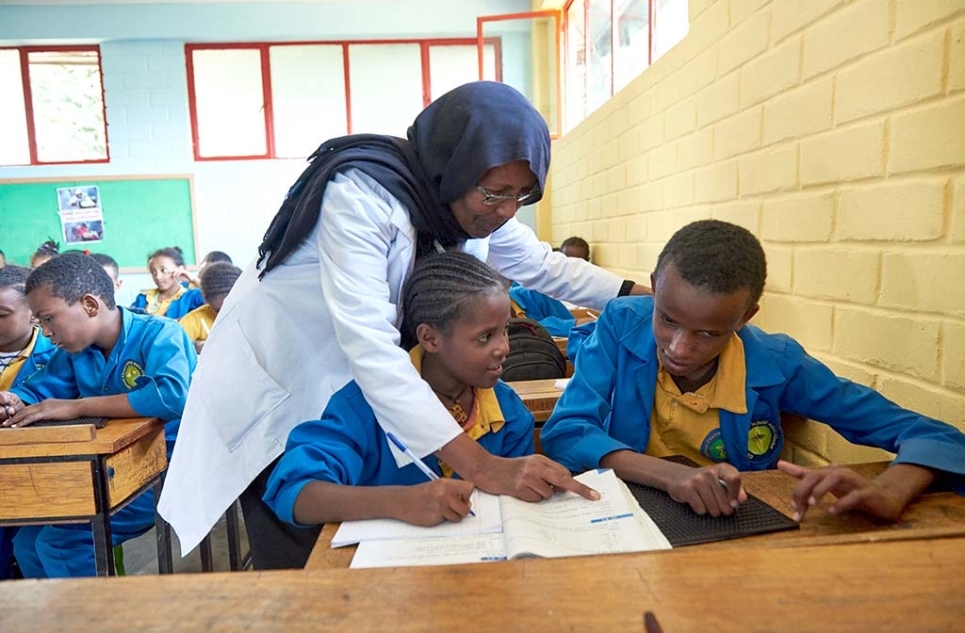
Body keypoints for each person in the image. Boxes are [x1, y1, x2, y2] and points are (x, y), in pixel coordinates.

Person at [158, 81, 648, 569]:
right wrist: (480, 465)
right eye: (496, 193)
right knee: (306, 559)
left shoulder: (463, 208)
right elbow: (370, 345)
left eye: (522, 196)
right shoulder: (362, 196)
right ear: (454, 163)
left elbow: (546, 266)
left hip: (363, 394)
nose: (506, 212)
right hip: (281, 393)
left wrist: (649, 295)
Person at [541, 220, 965, 522]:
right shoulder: (619, 324)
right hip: (623, 522)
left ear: (746, 317)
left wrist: (891, 492)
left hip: (731, 529)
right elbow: (567, 430)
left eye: (708, 333)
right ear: (654, 285)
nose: (679, 348)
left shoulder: (776, 364)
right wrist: (673, 475)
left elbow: (938, 437)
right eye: (667, 319)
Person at [264, 253, 542, 533]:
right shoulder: (362, 406)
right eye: (485, 337)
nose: (505, 348)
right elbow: (294, 493)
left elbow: (513, 504)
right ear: (430, 338)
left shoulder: (507, 411)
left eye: (505, 330)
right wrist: (399, 501)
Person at [0, 253, 196, 578]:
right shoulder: (75, 352)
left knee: (60, 543)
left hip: (165, 470)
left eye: (48, 318)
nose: (44, 331)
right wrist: (13, 400)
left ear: (90, 305)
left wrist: (77, 406)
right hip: (106, 468)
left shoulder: (160, 334)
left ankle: (99, 617)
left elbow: (170, 396)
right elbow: (39, 391)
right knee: (27, 543)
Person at [0, 264, 57, 580]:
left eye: (1, 314)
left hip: (40, 474)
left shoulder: (59, 353)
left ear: (33, 314)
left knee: (38, 551)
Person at [179, 262, 242, 353]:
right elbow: (174, 346)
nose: (223, 314)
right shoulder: (195, 319)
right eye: (217, 310)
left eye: (230, 308)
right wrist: (195, 346)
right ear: (206, 301)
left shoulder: (253, 314)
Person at [130, 247, 204, 319]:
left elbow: (213, 300)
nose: (158, 277)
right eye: (153, 272)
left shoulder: (191, 296)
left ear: (180, 269)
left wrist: (193, 279)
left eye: (163, 270)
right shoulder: (143, 297)